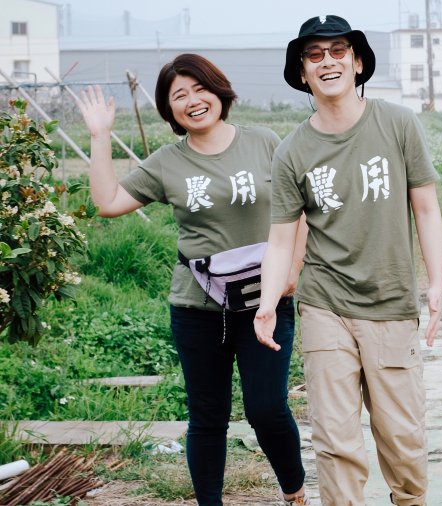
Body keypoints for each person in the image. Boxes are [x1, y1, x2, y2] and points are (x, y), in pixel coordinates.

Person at [77, 55, 309, 505]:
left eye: (199, 89)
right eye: (179, 95)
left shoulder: (263, 141)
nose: (192, 101)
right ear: (169, 110)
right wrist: (100, 135)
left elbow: (297, 208)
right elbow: (107, 202)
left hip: (265, 300)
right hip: (197, 307)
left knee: (267, 408)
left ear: (218, 91)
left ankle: (295, 493)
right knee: (207, 416)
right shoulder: (168, 162)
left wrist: (292, 270)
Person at [253, 15, 442, 506]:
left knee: (402, 439)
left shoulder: (398, 123)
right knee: (335, 441)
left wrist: (437, 281)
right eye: (314, 55)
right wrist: (268, 302)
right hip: (325, 303)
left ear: (357, 63)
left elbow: (425, 207)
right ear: (302, 73)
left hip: (390, 302)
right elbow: (281, 240)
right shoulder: (293, 151)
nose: (328, 62)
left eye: (338, 51)